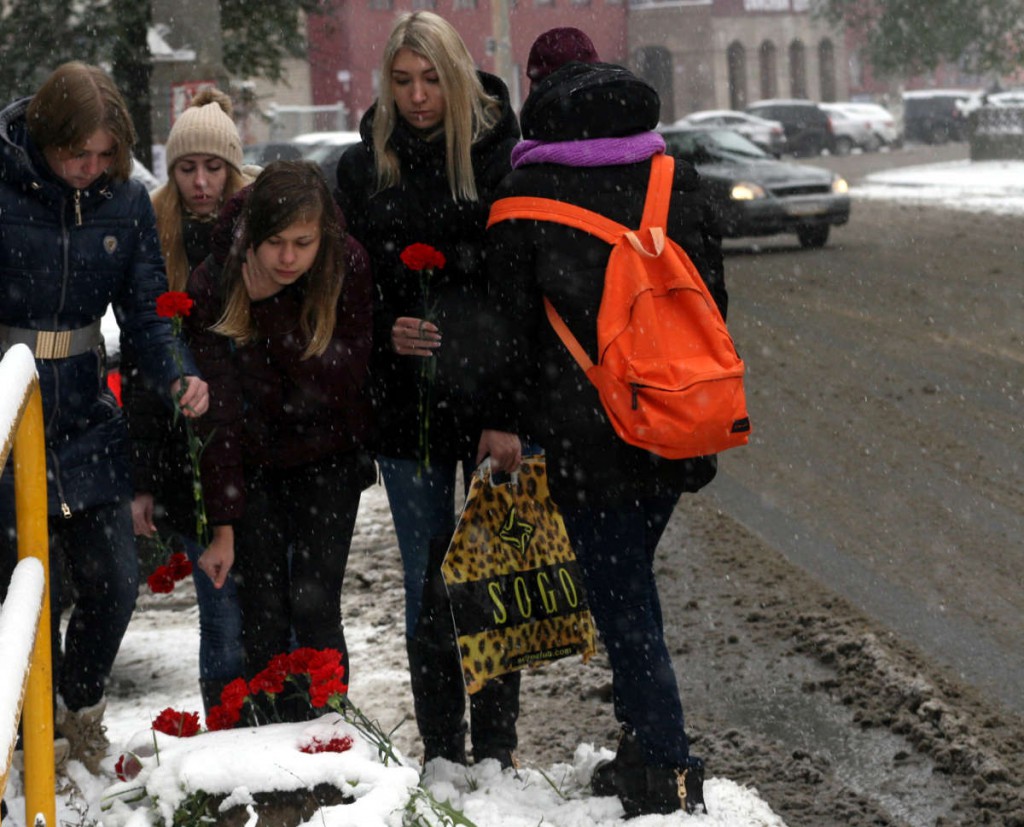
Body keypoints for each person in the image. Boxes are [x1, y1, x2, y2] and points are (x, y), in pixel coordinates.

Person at [476, 32, 723, 816]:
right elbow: (711, 299)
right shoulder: (674, 178)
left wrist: (502, 420)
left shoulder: (522, 200)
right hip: (677, 418)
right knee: (627, 589)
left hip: (586, 439)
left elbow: (508, 336)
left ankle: (671, 771)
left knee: (626, 605)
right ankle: (643, 747)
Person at [0, 61, 209, 773]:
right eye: (75, 154)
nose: (89, 168)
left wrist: (178, 373)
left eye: (103, 155)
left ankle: (80, 711)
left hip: (87, 416)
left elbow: (148, 312)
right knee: (26, 591)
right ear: (44, 137)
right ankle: (31, 740)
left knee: (116, 581)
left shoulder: (125, 201)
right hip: (9, 415)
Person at [333, 10, 523, 768]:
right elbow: (344, 285)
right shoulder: (363, 168)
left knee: (491, 572)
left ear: (458, 78)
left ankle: (498, 747)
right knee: (427, 577)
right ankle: (442, 748)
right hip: (403, 403)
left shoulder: (501, 157)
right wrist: (385, 326)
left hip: (489, 398)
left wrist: (505, 412)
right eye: (404, 81)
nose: (418, 97)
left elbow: (518, 295)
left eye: (432, 80)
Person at [185, 159, 374, 722]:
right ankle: (274, 747)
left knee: (316, 609)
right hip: (254, 459)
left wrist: (273, 311)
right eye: (275, 243)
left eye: (302, 243)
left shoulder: (347, 263)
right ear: (253, 235)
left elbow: (339, 380)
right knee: (263, 613)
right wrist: (222, 523)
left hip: (330, 454)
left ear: (323, 236)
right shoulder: (216, 277)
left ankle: (329, 737)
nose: (288, 258)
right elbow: (219, 411)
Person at [123, 87, 253, 715]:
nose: (201, 183)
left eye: (214, 167)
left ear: (233, 168)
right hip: (190, 457)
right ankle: (227, 736)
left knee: (277, 608)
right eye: (187, 168)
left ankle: (287, 736)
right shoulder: (155, 237)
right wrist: (144, 478)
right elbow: (144, 369)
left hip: (260, 446)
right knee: (220, 614)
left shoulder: (264, 226)